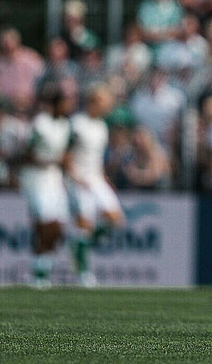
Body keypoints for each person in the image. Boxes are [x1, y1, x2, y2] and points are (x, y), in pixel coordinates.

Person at [65, 85, 125, 287]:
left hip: (96, 178)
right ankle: (83, 273)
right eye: (104, 102)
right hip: (79, 179)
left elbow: (97, 159)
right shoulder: (76, 124)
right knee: (84, 225)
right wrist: (73, 176)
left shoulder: (101, 126)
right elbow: (66, 154)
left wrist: (105, 180)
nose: (107, 107)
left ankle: (78, 247)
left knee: (115, 218)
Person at [19, 88, 74, 289]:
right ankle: (38, 272)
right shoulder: (40, 124)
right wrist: (51, 160)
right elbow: (26, 154)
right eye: (66, 102)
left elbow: (66, 153)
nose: (69, 106)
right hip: (36, 178)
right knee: (44, 224)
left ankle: (43, 268)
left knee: (57, 228)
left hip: (55, 179)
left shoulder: (65, 126)